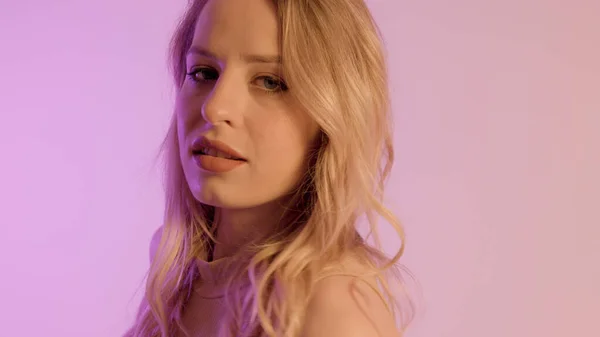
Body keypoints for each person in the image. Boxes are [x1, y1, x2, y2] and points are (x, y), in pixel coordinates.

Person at [124, 0, 415, 336]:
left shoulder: (333, 314)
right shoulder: (175, 272)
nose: (214, 108)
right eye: (203, 72)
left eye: (270, 82)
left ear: (333, 115)